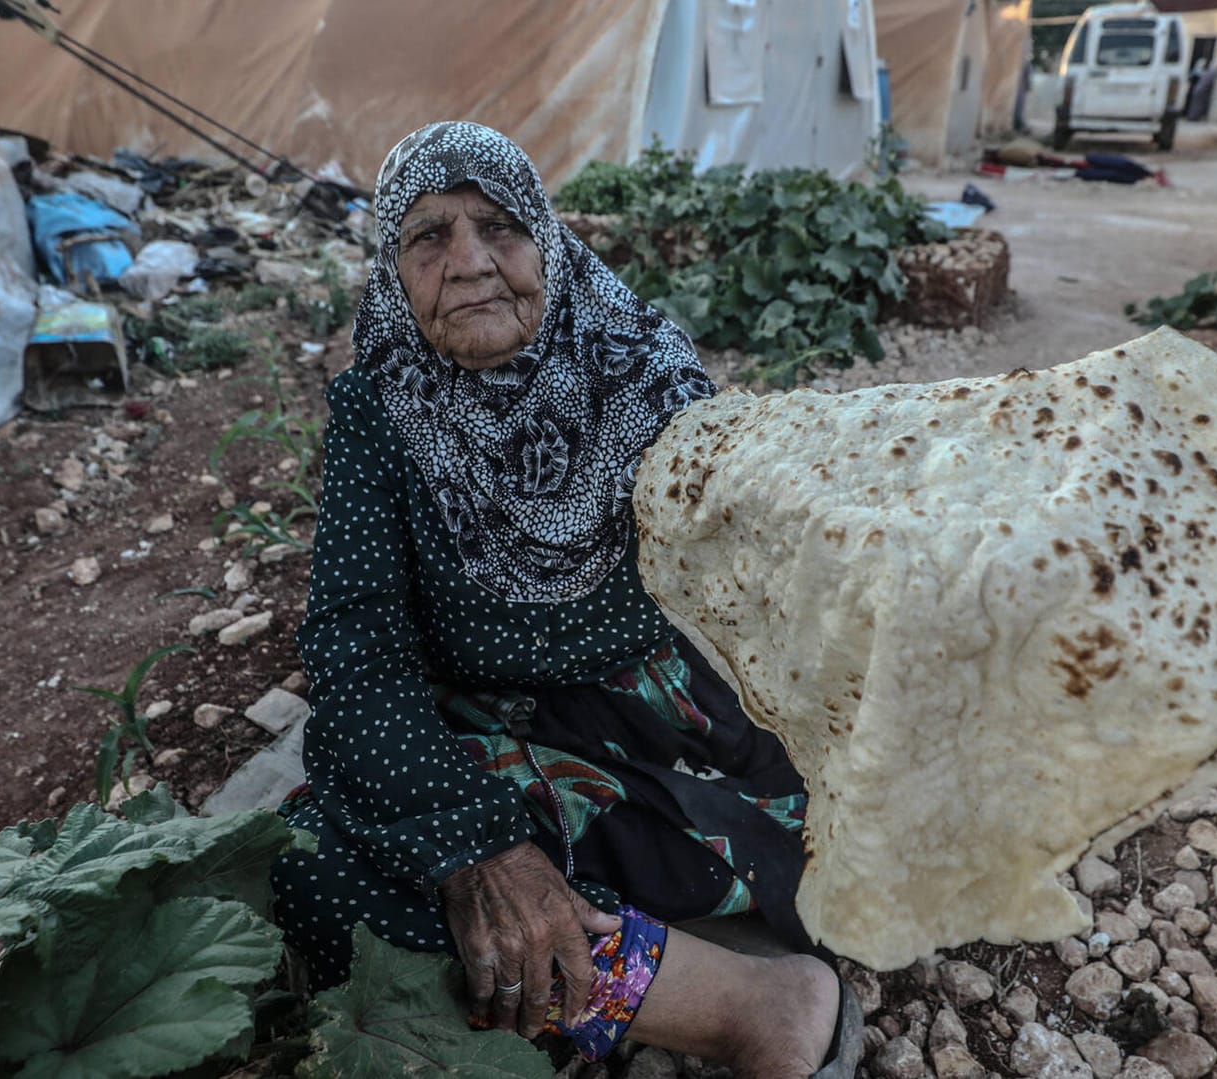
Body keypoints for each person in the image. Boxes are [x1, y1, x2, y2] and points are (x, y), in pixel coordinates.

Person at [269, 122, 860, 1078]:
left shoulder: (639, 367)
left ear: (546, 238)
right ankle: (743, 1001)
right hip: (489, 724)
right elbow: (356, 641)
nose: (467, 264)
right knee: (318, 871)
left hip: (665, 716)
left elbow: (766, 554)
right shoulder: (381, 407)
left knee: (829, 806)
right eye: (427, 237)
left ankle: (724, 995)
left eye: (499, 227)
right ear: (392, 269)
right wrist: (480, 845)